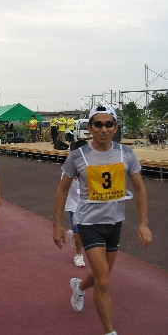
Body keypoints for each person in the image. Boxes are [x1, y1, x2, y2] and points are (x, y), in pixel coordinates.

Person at [53, 105, 152, 335]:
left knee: (102, 275)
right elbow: (62, 190)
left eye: (109, 124)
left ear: (115, 128)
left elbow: (139, 187)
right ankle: (110, 331)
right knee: (105, 281)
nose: (104, 128)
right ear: (90, 128)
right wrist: (56, 225)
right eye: (98, 124)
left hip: (115, 222)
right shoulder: (78, 156)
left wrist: (144, 223)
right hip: (88, 223)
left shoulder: (126, 154)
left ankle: (79, 286)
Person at [65, 177, 85, 267]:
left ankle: (72, 235)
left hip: (87, 205)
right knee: (78, 232)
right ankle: (79, 255)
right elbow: (64, 186)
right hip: (74, 205)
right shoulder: (70, 169)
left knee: (86, 231)